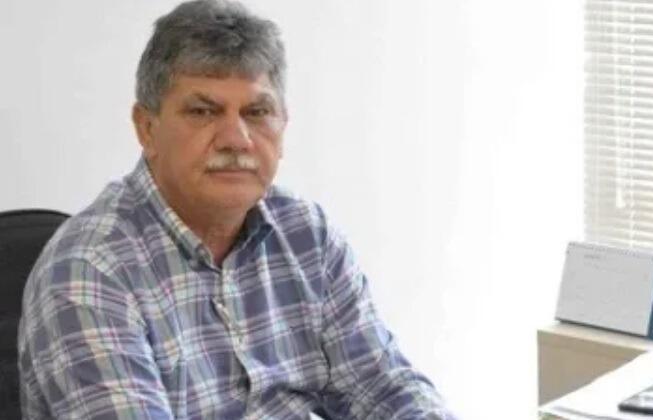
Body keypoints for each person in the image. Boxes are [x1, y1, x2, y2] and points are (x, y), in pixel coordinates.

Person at [17, 1, 455, 419]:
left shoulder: (307, 237)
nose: (236, 139)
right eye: (203, 111)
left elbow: (383, 389)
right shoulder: (90, 272)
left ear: (283, 125)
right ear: (147, 129)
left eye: (257, 111)